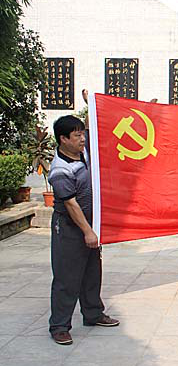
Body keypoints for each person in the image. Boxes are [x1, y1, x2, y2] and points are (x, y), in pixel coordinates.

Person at [48, 115, 119, 345]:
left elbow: (96, 122)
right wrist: (88, 232)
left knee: (92, 272)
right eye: (77, 135)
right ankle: (59, 326)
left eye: (82, 134)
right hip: (69, 227)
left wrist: (91, 102)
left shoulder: (84, 152)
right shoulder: (60, 170)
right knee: (67, 277)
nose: (82, 139)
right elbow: (71, 205)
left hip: (90, 222)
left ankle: (93, 313)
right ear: (63, 139)